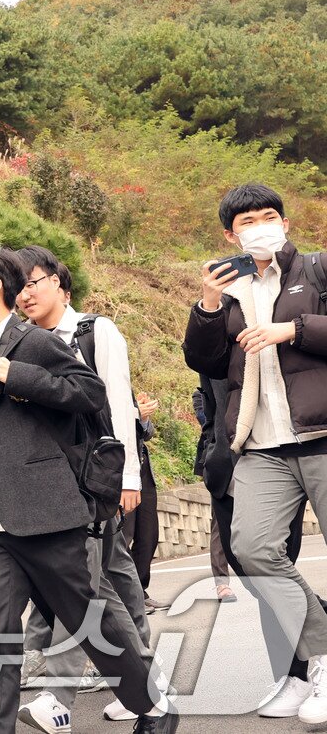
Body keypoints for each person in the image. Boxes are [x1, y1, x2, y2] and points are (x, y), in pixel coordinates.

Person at [0, 247, 176, 734]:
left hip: (47, 514)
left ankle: (151, 705)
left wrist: (21, 377)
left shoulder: (32, 343)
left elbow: (90, 394)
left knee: (87, 620)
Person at [183, 183, 327, 724]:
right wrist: (209, 304)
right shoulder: (230, 289)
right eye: (248, 222)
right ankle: (322, 659)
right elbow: (207, 362)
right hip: (261, 444)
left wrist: (293, 329)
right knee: (253, 551)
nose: (261, 226)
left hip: (321, 434)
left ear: (285, 224)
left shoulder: (316, 271)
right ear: (230, 234)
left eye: (270, 216)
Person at [10, 245, 159, 729]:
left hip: (95, 480)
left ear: (58, 281)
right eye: (20, 286)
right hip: (53, 482)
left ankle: (59, 700)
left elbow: (118, 403)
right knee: (112, 580)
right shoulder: (23, 341)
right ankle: (147, 685)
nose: (26, 293)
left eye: (34, 281)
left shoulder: (95, 331)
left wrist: (128, 477)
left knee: (79, 587)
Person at [193, 373, 315, 718]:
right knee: (256, 580)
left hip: (281, 457)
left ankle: (296, 675)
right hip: (227, 465)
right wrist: (211, 444)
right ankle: (289, 675)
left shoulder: (280, 324)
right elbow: (205, 389)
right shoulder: (221, 322)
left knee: (271, 574)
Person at [124, 393, 164, 612]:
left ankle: (140, 590)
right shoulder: (104, 384)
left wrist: (144, 417)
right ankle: (129, 597)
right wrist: (134, 412)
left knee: (148, 535)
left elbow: (147, 434)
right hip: (120, 472)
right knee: (124, 536)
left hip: (142, 469)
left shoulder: (126, 388)